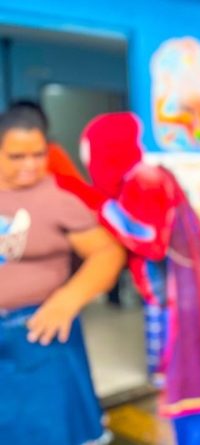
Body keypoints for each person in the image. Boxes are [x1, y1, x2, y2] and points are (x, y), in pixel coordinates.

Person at [80, 112, 200, 445]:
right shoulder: (145, 178)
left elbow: (149, 239)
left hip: (188, 301)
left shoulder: (144, 179)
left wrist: (100, 210)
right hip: (192, 293)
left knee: (194, 381)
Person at [0, 106, 126, 444]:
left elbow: (108, 252)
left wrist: (68, 298)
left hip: (40, 336)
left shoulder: (59, 198)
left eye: (37, 154)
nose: (29, 165)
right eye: (16, 156)